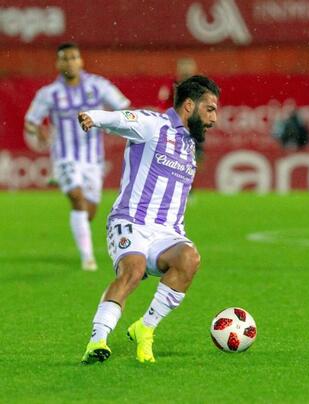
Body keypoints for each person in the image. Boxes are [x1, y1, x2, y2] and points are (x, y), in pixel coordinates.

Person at [78, 75, 220, 364]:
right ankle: (97, 340)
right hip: (131, 221)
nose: (214, 119)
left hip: (167, 233)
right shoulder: (153, 125)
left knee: (189, 258)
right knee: (133, 270)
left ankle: (145, 327)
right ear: (189, 106)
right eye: (209, 109)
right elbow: (121, 119)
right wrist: (94, 117)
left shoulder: (189, 145)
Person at [24, 42, 131, 271]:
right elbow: (30, 122)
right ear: (58, 63)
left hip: (93, 160)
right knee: (77, 197)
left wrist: (115, 123)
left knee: (88, 212)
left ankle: (81, 229)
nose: (70, 62)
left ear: (81, 61)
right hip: (64, 157)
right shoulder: (49, 93)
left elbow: (124, 107)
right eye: (65, 58)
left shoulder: (98, 86)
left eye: (74, 57)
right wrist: (38, 130)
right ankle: (88, 258)